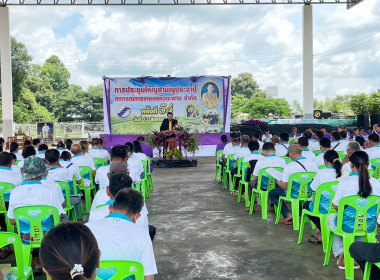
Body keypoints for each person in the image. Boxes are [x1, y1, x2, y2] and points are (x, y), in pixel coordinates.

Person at [7, 156, 65, 271]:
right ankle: (49, 262)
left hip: (26, 237)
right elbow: (57, 217)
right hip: (48, 236)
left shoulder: (15, 192)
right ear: (43, 172)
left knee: (27, 227)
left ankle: (35, 262)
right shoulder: (50, 191)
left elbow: (12, 221)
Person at [86, 189, 158, 279]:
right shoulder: (142, 234)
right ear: (137, 217)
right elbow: (148, 276)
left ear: (110, 209)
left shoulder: (86, 229)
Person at [327, 151, 380, 269]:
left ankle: (342, 252)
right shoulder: (376, 183)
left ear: (351, 165)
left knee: (331, 218)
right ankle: (356, 254)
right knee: (360, 220)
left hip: (347, 226)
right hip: (369, 226)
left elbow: (335, 206)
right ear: (368, 164)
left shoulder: (344, 182)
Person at [269, 145, 318, 225]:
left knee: (272, 193)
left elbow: (284, 187)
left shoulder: (289, 166)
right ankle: (299, 212)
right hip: (308, 192)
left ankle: (287, 214)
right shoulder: (313, 164)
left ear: (292, 153)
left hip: (293, 194)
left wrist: (278, 180)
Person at [303, 150, 342, 244]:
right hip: (339, 208)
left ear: (325, 161)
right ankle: (322, 230)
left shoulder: (321, 173)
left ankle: (321, 228)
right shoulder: (345, 173)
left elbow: (312, 189)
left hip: (324, 208)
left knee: (306, 205)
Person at [45, 149, 82, 218]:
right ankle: (74, 220)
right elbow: (75, 179)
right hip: (64, 201)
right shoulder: (65, 171)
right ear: (58, 159)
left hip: (49, 201)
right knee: (78, 199)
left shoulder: (43, 174)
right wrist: (60, 166)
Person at [0, 152, 22, 230]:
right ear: (11, 162)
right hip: (8, 204)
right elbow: (20, 191)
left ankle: (2, 225)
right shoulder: (17, 176)